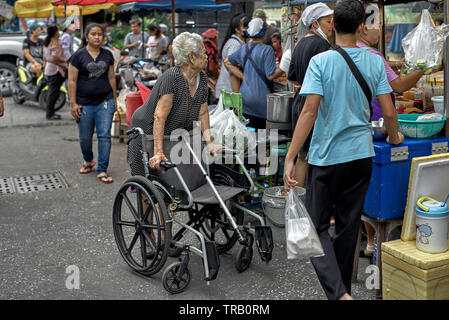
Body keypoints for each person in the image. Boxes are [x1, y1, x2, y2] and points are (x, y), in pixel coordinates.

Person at [283, 0, 404, 300]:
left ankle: (340, 295)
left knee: (314, 228)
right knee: (349, 229)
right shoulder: (374, 61)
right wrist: (394, 137)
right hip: (362, 157)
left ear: (333, 25)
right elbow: (389, 112)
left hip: (327, 159)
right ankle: (343, 292)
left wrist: (290, 156)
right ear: (362, 26)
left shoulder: (321, 62)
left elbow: (309, 112)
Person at [127, 32, 223, 257]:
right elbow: (159, 116)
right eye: (202, 53)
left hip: (174, 135)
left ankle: (165, 239)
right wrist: (158, 152)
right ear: (191, 57)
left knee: (172, 185)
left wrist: (209, 144)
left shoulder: (201, 78)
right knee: (150, 188)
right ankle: (151, 236)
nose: (206, 56)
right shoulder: (172, 77)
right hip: (147, 133)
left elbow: (202, 112)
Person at [356, 5, 429, 257]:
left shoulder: (351, 51)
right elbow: (397, 87)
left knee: (367, 183)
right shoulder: (373, 56)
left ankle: (368, 241)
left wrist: (395, 66)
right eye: (377, 25)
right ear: (363, 27)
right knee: (379, 183)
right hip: (378, 123)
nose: (381, 31)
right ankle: (378, 243)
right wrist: (424, 68)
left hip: (359, 128)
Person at [288, 3, 334, 189]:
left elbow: (291, 75)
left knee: (302, 154)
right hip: (314, 104)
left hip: (299, 101)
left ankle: (298, 201)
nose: (332, 25)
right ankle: (312, 202)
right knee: (314, 156)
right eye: (327, 21)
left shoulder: (300, 44)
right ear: (315, 24)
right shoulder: (322, 45)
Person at [69, 23, 117, 184]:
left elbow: (111, 78)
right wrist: (73, 103)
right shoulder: (78, 56)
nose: (97, 37)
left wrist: (114, 101)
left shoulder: (108, 55)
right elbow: (72, 81)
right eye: (93, 34)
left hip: (105, 101)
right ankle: (88, 160)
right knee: (85, 138)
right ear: (86, 36)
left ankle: (102, 169)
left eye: (100, 34)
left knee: (104, 136)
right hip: (84, 104)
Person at [224, 18, 283, 129]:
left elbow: (227, 62)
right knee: (263, 138)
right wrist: (284, 68)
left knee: (249, 134)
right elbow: (270, 76)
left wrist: (243, 76)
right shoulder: (267, 50)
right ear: (264, 32)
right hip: (262, 101)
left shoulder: (244, 48)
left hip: (245, 99)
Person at [216, 13, 250, 97]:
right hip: (229, 91)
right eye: (245, 26)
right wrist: (247, 79)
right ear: (237, 30)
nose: (248, 29)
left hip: (229, 91)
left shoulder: (239, 43)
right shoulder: (235, 45)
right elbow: (232, 69)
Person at [43, 25, 67, 121]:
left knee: (53, 92)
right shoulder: (53, 42)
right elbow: (53, 58)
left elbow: (45, 57)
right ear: (55, 33)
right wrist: (64, 60)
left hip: (51, 69)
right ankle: (50, 114)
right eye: (57, 31)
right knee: (53, 93)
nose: (59, 33)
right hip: (55, 70)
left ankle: (51, 112)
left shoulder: (47, 42)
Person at [202, 28, 220, 105]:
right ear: (214, 38)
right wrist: (218, 76)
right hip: (209, 79)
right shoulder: (211, 48)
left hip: (201, 78)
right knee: (211, 103)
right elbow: (211, 67)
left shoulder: (202, 47)